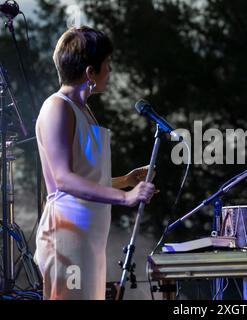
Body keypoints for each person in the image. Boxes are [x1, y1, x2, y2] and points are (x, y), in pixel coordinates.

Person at [34, 26, 156, 300]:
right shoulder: (57, 107)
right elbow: (64, 180)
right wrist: (125, 198)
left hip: (87, 240)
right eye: (107, 65)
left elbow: (84, 178)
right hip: (67, 237)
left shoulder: (82, 110)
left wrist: (125, 181)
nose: (110, 71)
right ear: (90, 72)